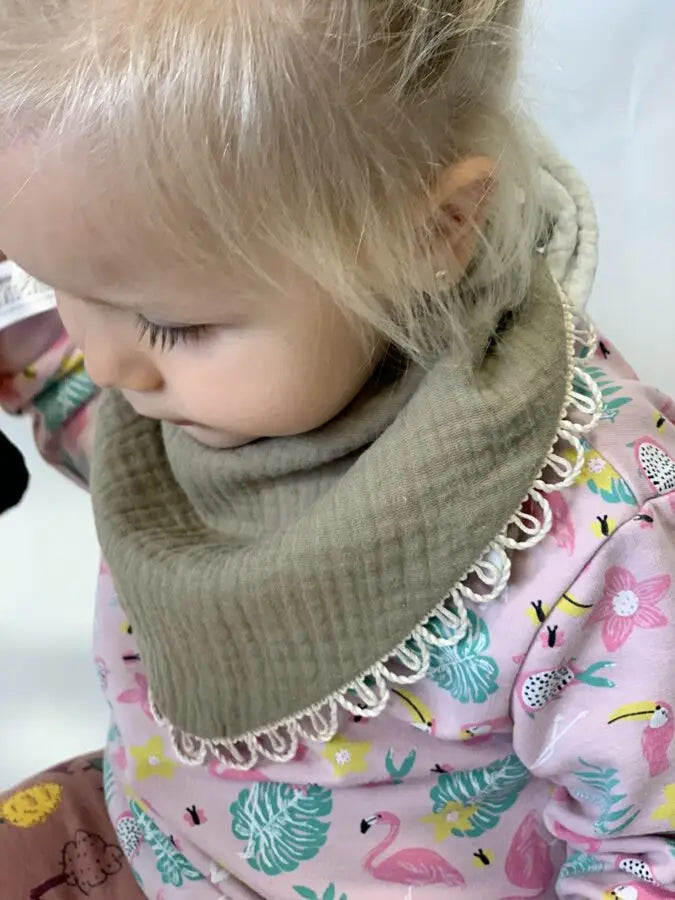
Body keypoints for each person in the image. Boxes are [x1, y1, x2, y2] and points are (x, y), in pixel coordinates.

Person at [0, 1, 673, 896]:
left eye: (170, 324)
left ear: (429, 234)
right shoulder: (176, 359)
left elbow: (644, 852)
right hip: (153, 833)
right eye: (62, 285)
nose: (111, 362)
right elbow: (84, 391)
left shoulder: (597, 540)